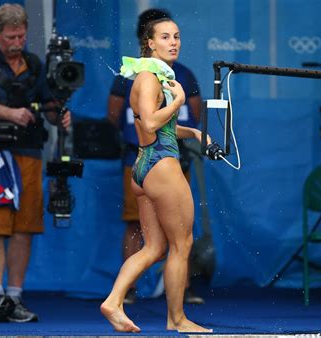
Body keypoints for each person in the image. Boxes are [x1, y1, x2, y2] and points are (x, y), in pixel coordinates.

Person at [0, 3, 71, 323]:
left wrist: (59, 115)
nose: (16, 42)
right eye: (10, 37)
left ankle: (15, 297)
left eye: (21, 36)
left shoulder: (34, 64)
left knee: (26, 227)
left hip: (31, 153)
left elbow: (48, 107)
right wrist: (8, 113)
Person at [100, 18, 212, 332]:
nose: (173, 42)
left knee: (154, 248)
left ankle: (113, 300)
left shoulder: (153, 75)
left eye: (177, 36)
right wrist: (178, 100)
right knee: (182, 244)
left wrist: (194, 133)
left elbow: (161, 127)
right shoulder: (149, 78)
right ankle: (177, 319)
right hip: (161, 165)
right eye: (165, 37)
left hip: (144, 165)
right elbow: (149, 124)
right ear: (150, 43)